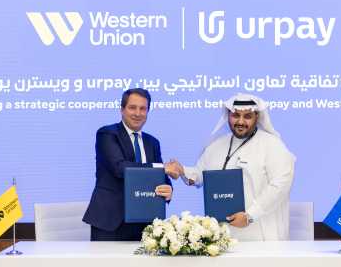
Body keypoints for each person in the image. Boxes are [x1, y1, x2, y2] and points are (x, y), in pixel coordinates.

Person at [165, 94, 295, 241]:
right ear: (228, 115)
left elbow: (280, 185)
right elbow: (200, 174)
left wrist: (250, 215)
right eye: (236, 115)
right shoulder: (217, 145)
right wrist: (182, 170)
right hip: (223, 236)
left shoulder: (272, 145)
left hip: (260, 234)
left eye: (247, 116)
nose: (241, 121)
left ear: (257, 117)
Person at [83, 88, 172, 241]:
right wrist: (162, 168)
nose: (137, 113)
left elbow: (160, 177)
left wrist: (169, 190)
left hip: (145, 223)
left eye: (143, 109)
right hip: (110, 222)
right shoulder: (107, 134)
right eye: (132, 107)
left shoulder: (152, 142)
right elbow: (120, 168)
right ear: (122, 110)